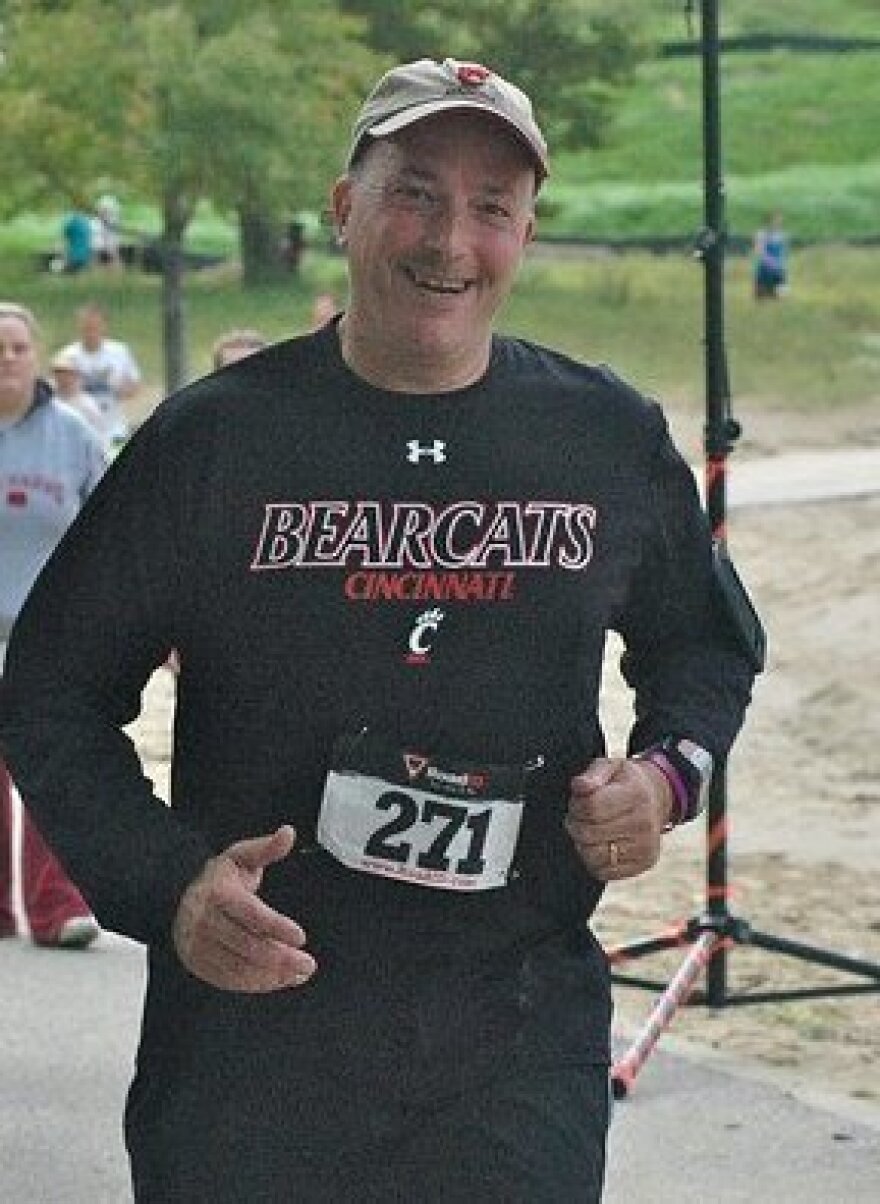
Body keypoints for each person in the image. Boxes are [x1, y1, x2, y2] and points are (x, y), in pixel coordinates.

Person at [0, 59, 758, 1201]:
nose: (449, 239)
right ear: (345, 206)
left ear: (527, 233)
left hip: (512, 1035)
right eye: (414, 190)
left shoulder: (600, 436)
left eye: (491, 207)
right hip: (250, 1038)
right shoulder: (212, 443)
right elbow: (50, 685)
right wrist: (168, 886)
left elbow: (704, 645)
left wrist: (662, 775)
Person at [0, 302, 106, 949]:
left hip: (49, 638)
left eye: (16, 347)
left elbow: (110, 531)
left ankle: (55, 906)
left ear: (35, 356)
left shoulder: (73, 434)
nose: (6, 359)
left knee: (48, 773)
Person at [59, 302, 141, 444]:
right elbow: (58, 393)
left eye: (95, 327)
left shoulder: (119, 351)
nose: (90, 332)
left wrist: (120, 389)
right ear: (79, 327)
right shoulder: (68, 356)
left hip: (114, 430)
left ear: (104, 326)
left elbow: (135, 386)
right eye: (86, 327)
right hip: (79, 432)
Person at [49, 347, 108, 446]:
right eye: (58, 372)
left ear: (76, 375)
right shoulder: (47, 401)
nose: (62, 377)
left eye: (66, 373)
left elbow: (97, 440)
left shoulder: (87, 406)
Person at [752, 210, 789, 299]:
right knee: (763, 297)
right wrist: (771, 262)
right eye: (776, 220)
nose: (778, 223)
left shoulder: (782, 235)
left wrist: (781, 264)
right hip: (765, 270)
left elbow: (783, 253)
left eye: (780, 220)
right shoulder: (761, 234)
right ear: (769, 221)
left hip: (778, 270)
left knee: (781, 295)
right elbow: (758, 251)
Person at [59, 210, 93, 274]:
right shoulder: (87, 224)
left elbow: (64, 240)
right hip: (86, 259)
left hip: (74, 259)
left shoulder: (70, 226)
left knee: (57, 265)